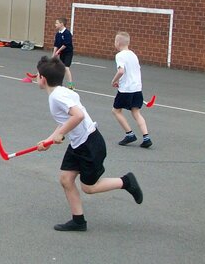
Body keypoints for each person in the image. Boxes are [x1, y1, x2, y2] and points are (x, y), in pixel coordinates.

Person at [35, 55, 143, 231]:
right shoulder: (61, 92)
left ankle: (126, 181)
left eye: (37, 75)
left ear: (43, 79)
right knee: (66, 179)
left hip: (90, 144)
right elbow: (65, 121)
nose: (35, 77)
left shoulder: (56, 97)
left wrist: (60, 134)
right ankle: (78, 221)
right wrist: (48, 141)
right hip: (79, 144)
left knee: (89, 188)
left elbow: (78, 116)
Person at [111, 31, 152, 148]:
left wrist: (114, 81)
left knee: (116, 111)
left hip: (126, 90)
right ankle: (146, 137)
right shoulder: (133, 55)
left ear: (118, 43)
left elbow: (121, 71)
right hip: (137, 88)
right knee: (136, 112)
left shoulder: (119, 56)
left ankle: (130, 134)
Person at [52, 17, 74, 89]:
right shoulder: (58, 34)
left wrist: (58, 51)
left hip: (68, 53)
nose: (55, 24)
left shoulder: (67, 33)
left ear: (61, 24)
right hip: (62, 53)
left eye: (56, 23)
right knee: (61, 68)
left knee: (66, 68)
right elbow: (56, 45)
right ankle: (59, 83)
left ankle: (71, 84)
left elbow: (65, 44)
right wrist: (54, 54)